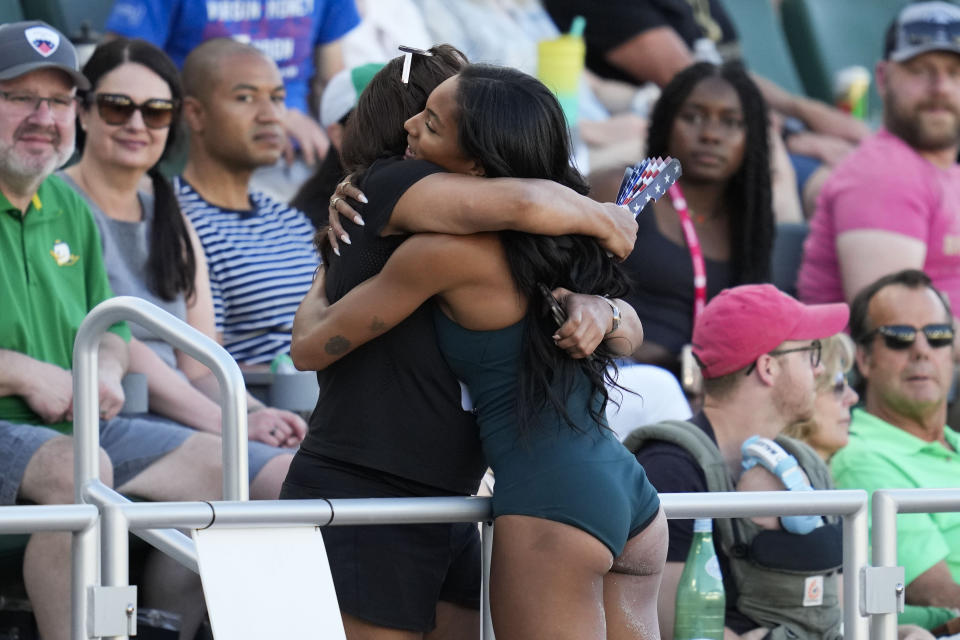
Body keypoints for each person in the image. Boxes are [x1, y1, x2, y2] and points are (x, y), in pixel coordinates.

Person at [291, 63, 666, 640]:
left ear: (477, 167)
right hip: (628, 493)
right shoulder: (567, 247)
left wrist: (327, 268)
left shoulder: (442, 254)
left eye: (433, 125)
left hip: (552, 503)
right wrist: (608, 308)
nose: (410, 127)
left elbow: (313, 347)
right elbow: (628, 327)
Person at [0, 21, 224, 640]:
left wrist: (102, 368)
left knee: (226, 465)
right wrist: (20, 370)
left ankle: (170, 629)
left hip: (76, 430)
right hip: (38, 435)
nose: (43, 117)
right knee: (80, 467)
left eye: (59, 100)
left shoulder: (64, 202)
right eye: (19, 97)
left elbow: (113, 329)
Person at [60, 38, 304, 493]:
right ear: (83, 111)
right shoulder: (58, 205)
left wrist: (253, 413)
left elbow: (199, 361)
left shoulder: (171, 215)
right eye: (117, 107)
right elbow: (119, 339)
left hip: (188, 419)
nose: (137, 124)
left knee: (314, 468)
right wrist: (228, 423)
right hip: (108, 417)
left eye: (155, 112)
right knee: (285, 479)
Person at [626, 284, 849, 639]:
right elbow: (670, 625)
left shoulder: (805, 463)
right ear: (768, 368)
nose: (820, 369)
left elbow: (844, 606)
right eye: (811, 353)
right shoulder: (670, 469)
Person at [734, 331, 937, 640]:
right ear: (804, 393)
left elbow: (865, 611)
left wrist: (909, 629)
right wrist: (945, 618)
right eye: (838, 386)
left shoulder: (824, 476)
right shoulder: (768, 482)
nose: (853, 398)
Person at [104, 0, 361, 200]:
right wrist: (265, 113)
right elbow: (120, 71)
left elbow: (331, 82)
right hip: (198, 149)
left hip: (300, 155)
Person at [798, 2, 960, 311]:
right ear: (883, 78)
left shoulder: (947, 174)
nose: (941, 88)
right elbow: (894, 327)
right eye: (920, 71)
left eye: (956, 73)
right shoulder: (885, 172)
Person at [623, 61, 774, 382]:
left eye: (731, 123)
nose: (709, 135)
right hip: (620, 377)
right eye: (692, 118)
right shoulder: (626, 190)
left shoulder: (749, 225)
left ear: (753, 137)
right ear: (665, 123)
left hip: (705, 394)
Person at [176, 38, 321, 366]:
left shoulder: (290, 220)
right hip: (257, 405)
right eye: (245, 98)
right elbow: (203, 368)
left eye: (278, 98)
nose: (270, 116)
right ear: (195, 114)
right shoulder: (173, 218)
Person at [832, 269, 960, 632]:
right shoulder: (859, 456)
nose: (922, 350)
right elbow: (933, 590)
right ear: (864, 359)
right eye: (900, 338)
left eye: (937, 336)